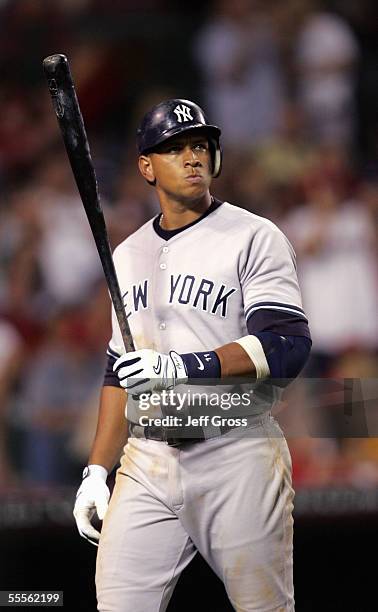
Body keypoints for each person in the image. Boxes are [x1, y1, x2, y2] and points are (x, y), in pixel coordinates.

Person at [73, 98, 311, 611]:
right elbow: (119, 371)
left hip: (236, 449)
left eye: (199, 145)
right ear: (146, 167)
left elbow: (286, 347)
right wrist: (96, 470)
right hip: (148, 457)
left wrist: (182, 366)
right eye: (174, 147)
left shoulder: (253, 236)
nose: (192, 156)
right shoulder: (127, 254)